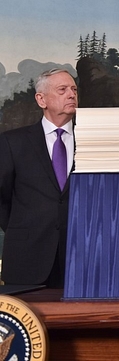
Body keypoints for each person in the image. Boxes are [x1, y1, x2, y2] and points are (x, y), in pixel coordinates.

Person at [0, 68, 77, 288]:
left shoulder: (91, 141)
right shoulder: (12, 142)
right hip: (27, 259)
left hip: (80, 258)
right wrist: (25, 226)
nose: (71, 94)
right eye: (62, 90)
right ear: (41, 99)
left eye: (74, 89)